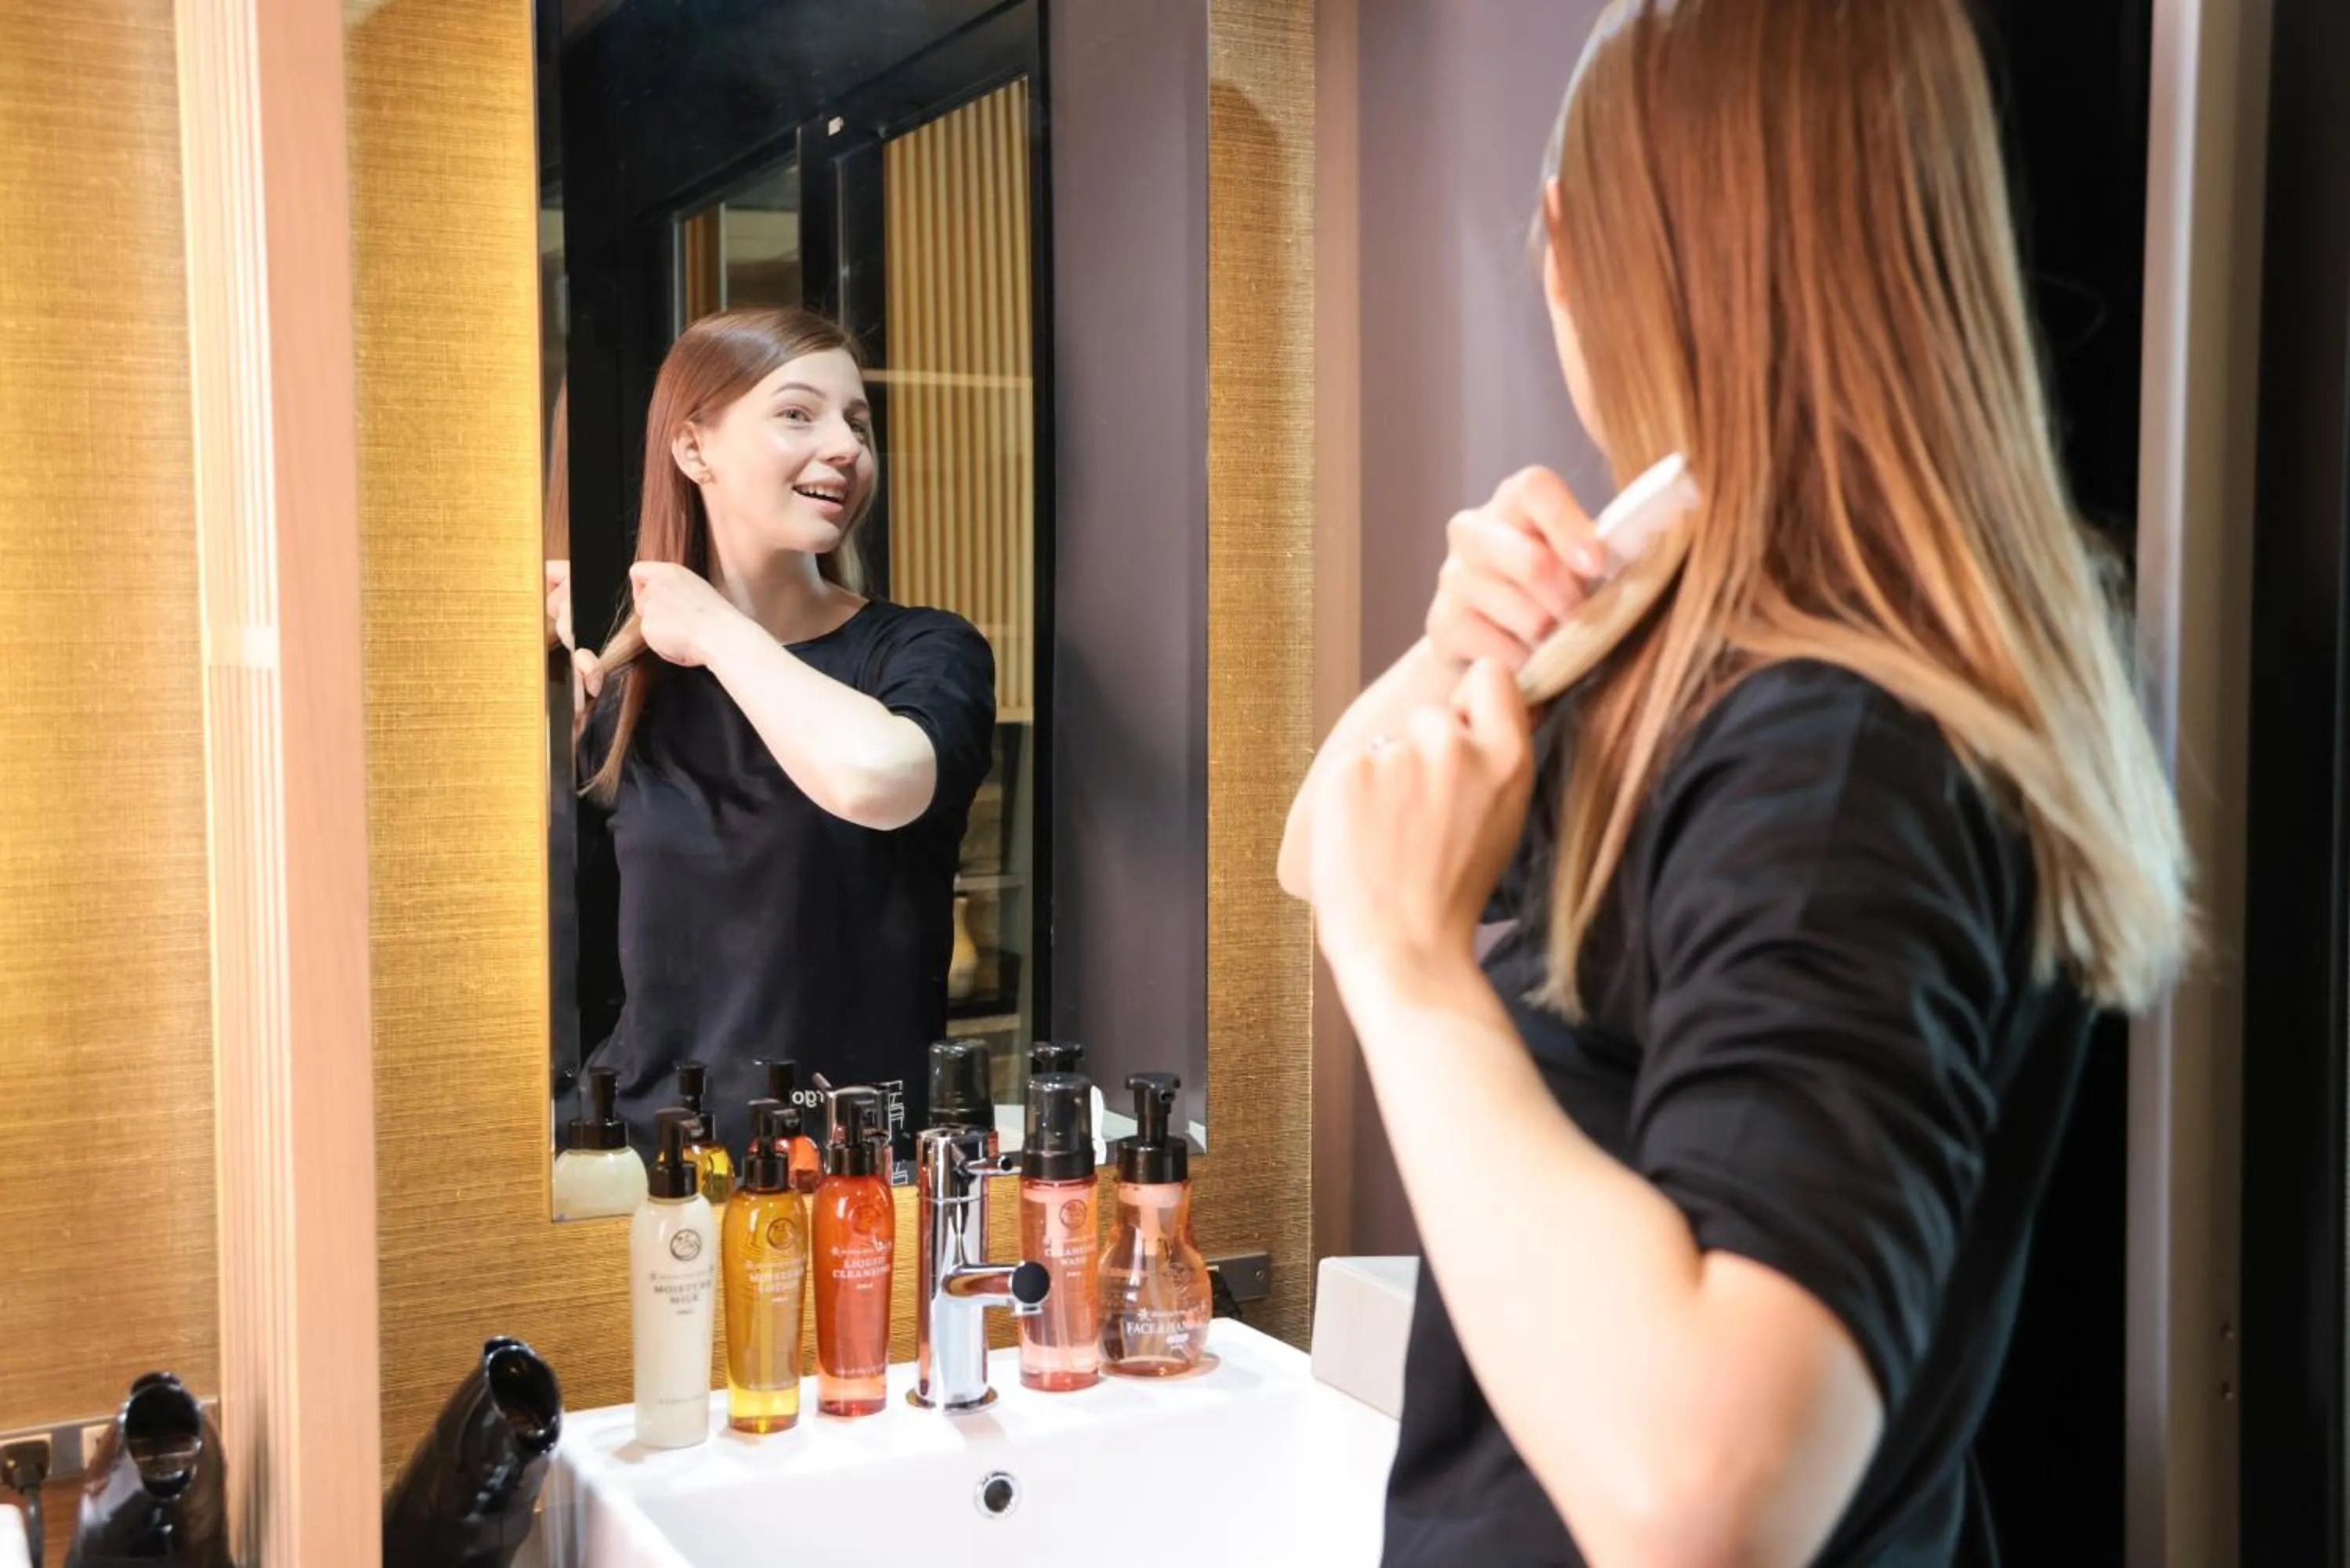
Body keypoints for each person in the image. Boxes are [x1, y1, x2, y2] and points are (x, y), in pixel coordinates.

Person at [1278, 2, 2189, 1564]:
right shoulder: (1747, 656)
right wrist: (1453, 651)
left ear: (1575, 249)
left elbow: (1711, 1494)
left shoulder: (1832, 746)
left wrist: (1415, 973)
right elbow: (1328, 846)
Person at [565, 307, 995, 1158]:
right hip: (654, 1174)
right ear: (694, 449)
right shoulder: (622, 698)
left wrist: (715, 630)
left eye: (858, 423)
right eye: (799, 413)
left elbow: (880, 779)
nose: (845, 446)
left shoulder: (920, 652)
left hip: (860, 1175)